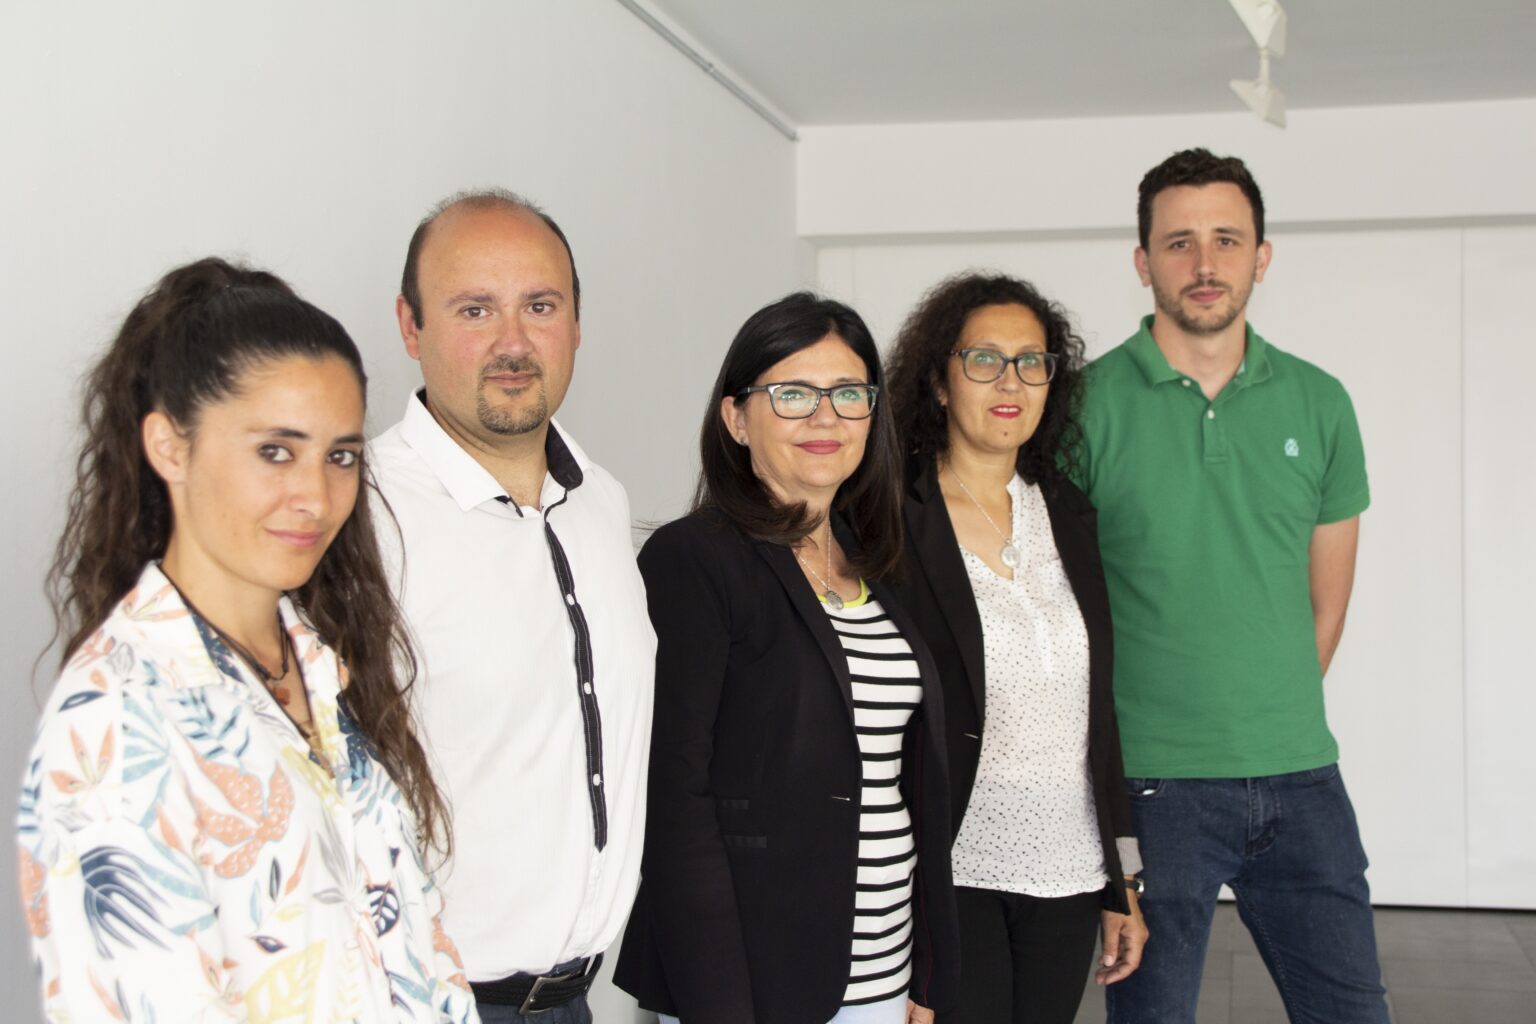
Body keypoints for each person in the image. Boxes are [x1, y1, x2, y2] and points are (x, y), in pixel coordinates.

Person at [17, 258, 477, 1023]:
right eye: (275, 451)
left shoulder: (322, 672)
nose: (316, 496)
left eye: (340, 456)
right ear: (169, 447)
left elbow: (420, 950)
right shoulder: (115, 718)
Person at [1074, 149, 1387, 1023]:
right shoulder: (1083, 407)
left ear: (1262, 255)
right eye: (1179, 243)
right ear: (1143, 262)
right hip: (1151, 785)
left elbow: (1327, 603)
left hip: (1302, 776)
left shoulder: (1321, 402)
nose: (1204, 263)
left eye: (1227, 240)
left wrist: (1264, 714)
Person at [613, 293, 961, 1024]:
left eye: (849, 394)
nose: (826, 417)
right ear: (736, 418)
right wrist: (721, 1007)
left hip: (884, 971)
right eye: (794, 394)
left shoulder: (880, 564)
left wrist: (924, 975)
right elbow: (676, 801)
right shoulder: (694, 560)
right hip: (751, 983)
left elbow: (906, 785)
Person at [370, 190, 655, 1024]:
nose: (513, 342)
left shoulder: (602, 501)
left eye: (540, 306)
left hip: (574, 1000)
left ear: (576, 324)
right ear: (410, 326)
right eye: (474, 309)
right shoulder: (359, 517)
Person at [883, 272, 1148, 1024]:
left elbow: (1096, 714)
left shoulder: (1066, 511)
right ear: (939, 383)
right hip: (950, 865)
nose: (1011, 381)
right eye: (984, 359)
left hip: (1069, 867)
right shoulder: (892, 519)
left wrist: (1122, 880)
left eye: (1031, 361)